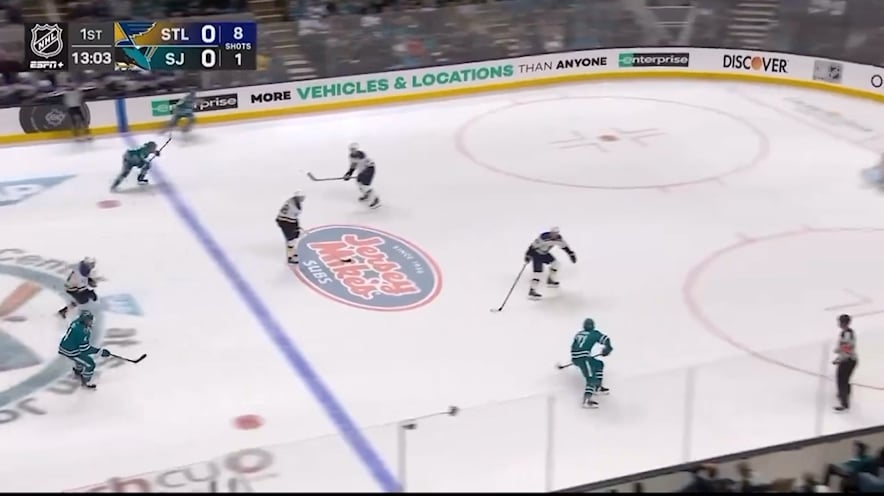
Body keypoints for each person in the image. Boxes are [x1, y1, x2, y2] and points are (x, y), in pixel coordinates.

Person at [833, 313, 858, 412]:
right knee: (844, 380)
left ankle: (844, 403)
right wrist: (839, 357)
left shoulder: (846, 334)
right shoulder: (848, 332)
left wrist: (839, 351)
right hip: (849, 359)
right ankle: (844, 395)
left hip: (848, 360)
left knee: (842, 381)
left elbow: (846, 347)